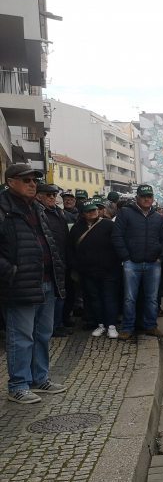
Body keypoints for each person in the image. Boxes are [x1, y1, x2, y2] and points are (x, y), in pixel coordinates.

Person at [1, 164, 67, 404]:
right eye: (26, 180)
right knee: (21, 337)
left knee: (42, 334)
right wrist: (12, 272)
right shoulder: (4, 208)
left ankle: (40, 378)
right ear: (10, 182)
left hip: (47, 281)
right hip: (20, 283)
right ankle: (18, 384)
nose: (32, 184)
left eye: (34, 180)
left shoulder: (38, 208)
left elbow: (49, 241)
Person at [112, 184, 163, 340]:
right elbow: (117, 237)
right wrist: (126, 257)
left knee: (152, 298)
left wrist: (160, 257)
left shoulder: (158, 217)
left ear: (153, 198)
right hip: (132, 263)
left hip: (153, 263)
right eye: (144, 196)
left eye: (149, 196)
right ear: (137, 198)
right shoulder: (126, 213)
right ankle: (128, 327)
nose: (147, 199)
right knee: (129, 298)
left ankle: (151, 326)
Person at [68, 200, 122, 340]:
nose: (93, 212)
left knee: (109, 297)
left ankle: (111, 325)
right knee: (94, 298)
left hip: (109, 270)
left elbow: (118, 244)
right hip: (88, 271)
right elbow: (70, 249)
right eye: (89, 210)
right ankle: (100, 324)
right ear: (82, 214)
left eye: (95, 209)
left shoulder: (109, 225)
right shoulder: (76, 228)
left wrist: (116, 263)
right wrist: (76, 266)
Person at [37, 183, 71, 337]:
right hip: (49, 260)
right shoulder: (40, 213)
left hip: (62, 259)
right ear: (39, 196)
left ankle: (59, 323)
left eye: (54, 195)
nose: (52, 197)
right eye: (48, 194)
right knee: (54, 296)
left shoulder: (59, 212)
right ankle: (55, 326)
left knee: (61, 294)